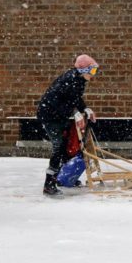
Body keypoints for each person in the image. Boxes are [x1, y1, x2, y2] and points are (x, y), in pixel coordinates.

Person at [37, 54, 99, 196]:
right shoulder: (69, 79)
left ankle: (64, 178)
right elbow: (55, 101)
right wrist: (74, 113)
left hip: (60, 116)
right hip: (49, 116)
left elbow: (74, 98)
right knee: (58, 146)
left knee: (66, 146)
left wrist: (84, 109)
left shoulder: (79, 80)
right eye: (93, 71)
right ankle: (49, 184)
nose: (94, 75)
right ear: (84, 70)